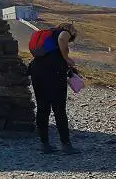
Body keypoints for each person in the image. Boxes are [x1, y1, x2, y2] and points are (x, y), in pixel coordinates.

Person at [28, 22, 81, 155]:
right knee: (59, 109)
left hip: (36, 71)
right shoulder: (63, 32)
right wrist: (66, 58)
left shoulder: (47, 35)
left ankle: (44, 144)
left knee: (42, 108)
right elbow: (63, 38)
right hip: (54, 73)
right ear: (70, 29)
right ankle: (66, 145)